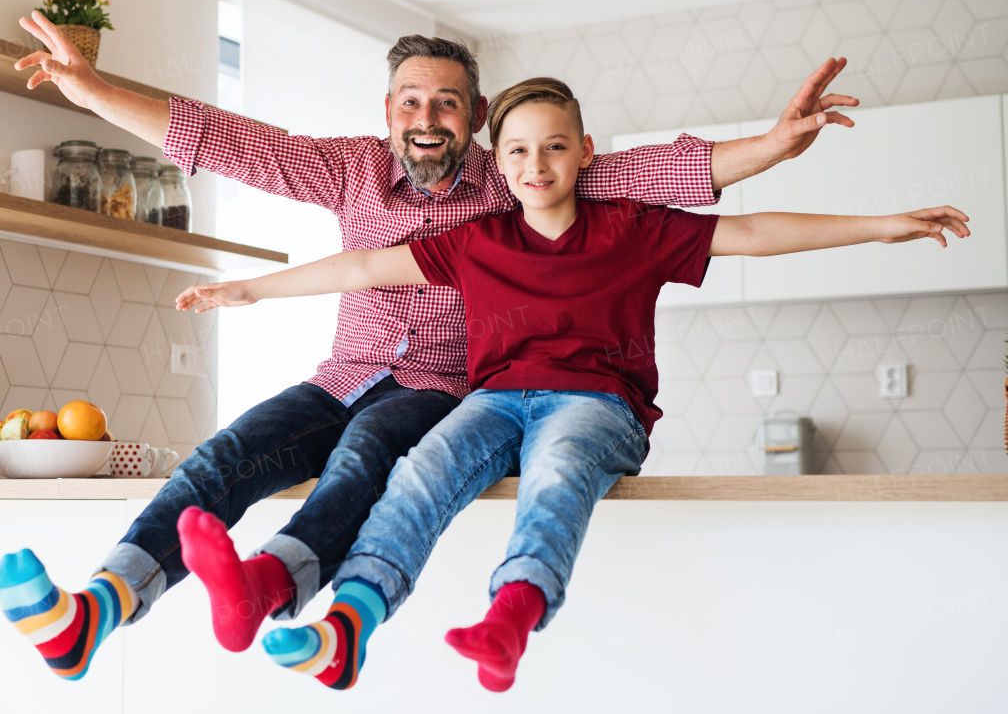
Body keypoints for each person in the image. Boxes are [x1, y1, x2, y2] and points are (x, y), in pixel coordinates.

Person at [0, 11, 861, 681]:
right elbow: (231, 143)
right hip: (341, 376)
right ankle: (94, 612)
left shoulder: (521, 173)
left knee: (367, 456)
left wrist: (779, 142)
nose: (427, 116)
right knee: (224, 457)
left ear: (477, 116)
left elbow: (672, 175)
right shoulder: (348, 168)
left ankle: (277, 589)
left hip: (444, 389)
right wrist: (94, 91)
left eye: (447, 102)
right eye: (410, 100)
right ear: (387, 111)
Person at [172, 77, 968, 692]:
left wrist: (882, 224)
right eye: (516, 151)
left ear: (586, 151)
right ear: (499, 162)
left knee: (556, 469)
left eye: (553, 147)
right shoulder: (477, 239)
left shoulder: (635, 227)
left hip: (597, 404)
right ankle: (342, 619)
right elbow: (359, 266)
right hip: (492, 401)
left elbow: (754, 231)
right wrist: (250, 291)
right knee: (420, 470)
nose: (534, 165)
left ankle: (510, 619)